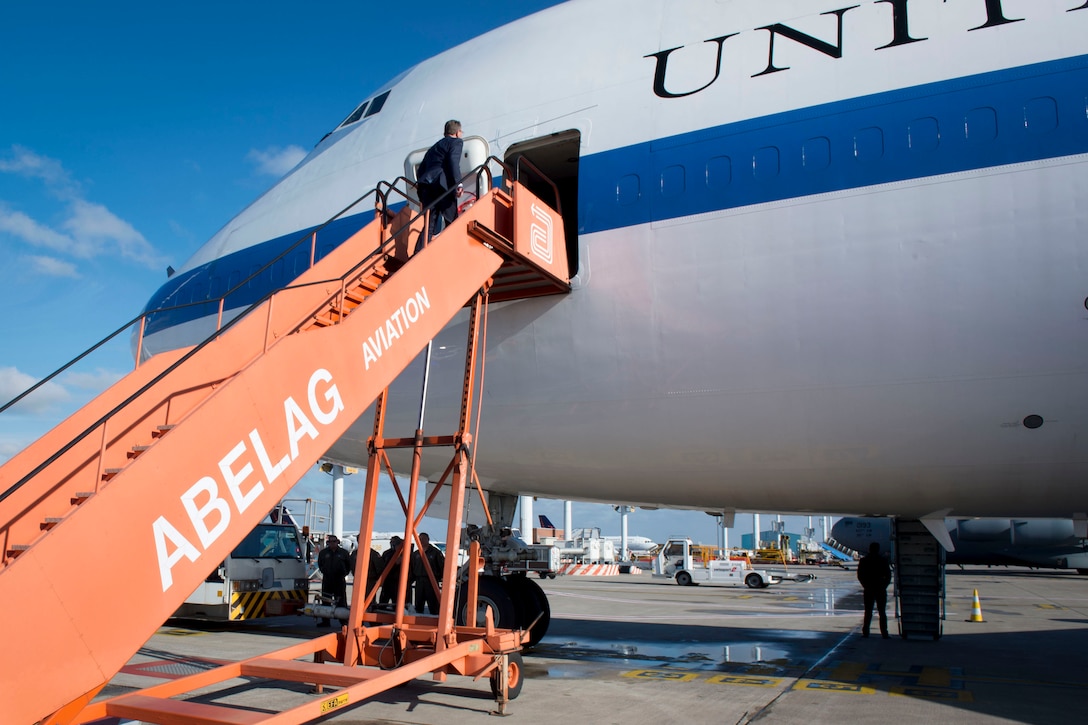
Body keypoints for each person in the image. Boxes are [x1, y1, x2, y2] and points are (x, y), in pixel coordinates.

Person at [416, 119, 464, 242]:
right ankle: (452, 248)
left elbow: (421, 169)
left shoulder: (434, 148)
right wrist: (459, 184)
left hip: (425, 185)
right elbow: (453, 163)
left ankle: (419, 252)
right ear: (458, 132)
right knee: (451, 219)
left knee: (429, 223)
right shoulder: (456, 142)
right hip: (441, 185)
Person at [857, 541, 892, 638]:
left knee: (868, 611)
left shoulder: (864, 561)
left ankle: (866, 631)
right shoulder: (882, 560)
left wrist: (865, 585)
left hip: (869, 588)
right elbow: (888, 575)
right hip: (880, 588)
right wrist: (884, 586)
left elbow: (860, 575)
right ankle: (884, 632)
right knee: (882, 612)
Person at [316, 535, 351, 627]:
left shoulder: (344, 553)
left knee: (341, 601)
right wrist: (325, 571)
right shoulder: (323, 553)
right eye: (330, 542)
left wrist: (343, 573)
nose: (332, 543)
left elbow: (348, 565)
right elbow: (320, 564)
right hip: (327, 580)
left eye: (334, 541)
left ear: (337, 542)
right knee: (326, 600)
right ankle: (326, 621)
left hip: (339, 580)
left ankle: (343, 622)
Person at [410, 533, 445, 615]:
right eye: (420, 539)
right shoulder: (416, 554)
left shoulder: (435, 552)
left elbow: (441, 566)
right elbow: (412, 567)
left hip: (431, 581)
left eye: (423, 539)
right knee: (418, 604)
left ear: (428, 539)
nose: (421, 541)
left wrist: (442, 578)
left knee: (433, 604)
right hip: (419, 581)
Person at [349, 543, 384, 608]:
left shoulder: (373, 554)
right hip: (358, 580)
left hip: (370, 580)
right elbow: (350, 565)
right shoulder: (354, 554)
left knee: (369, 600)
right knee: (357, 599)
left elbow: (379, 567)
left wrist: (375, 578)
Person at [379, 536, 404, 605]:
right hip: (387, 579)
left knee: (396, 600)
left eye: (394, 542)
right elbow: (382, 565)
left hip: (398, 580)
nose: (392, 543)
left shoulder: (404, 553)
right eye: (391, 542)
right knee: (383, 600)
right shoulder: (387, 553)